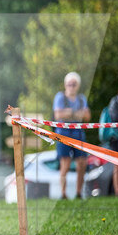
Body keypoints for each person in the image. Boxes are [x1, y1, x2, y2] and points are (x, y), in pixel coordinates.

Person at [53, 71, 90, 200]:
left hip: (78, 132)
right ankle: (63, 194)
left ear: (78, 85)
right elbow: (58, 115)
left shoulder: (81, 98)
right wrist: (76, 113)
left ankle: (78, 193)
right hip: (63, 132)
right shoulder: (60, 97)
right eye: (69, 84)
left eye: (74, 84)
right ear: (65, 85)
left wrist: (69, 113)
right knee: (65, 164)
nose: (71, 86)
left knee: (82, 164)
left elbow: (87, 116)